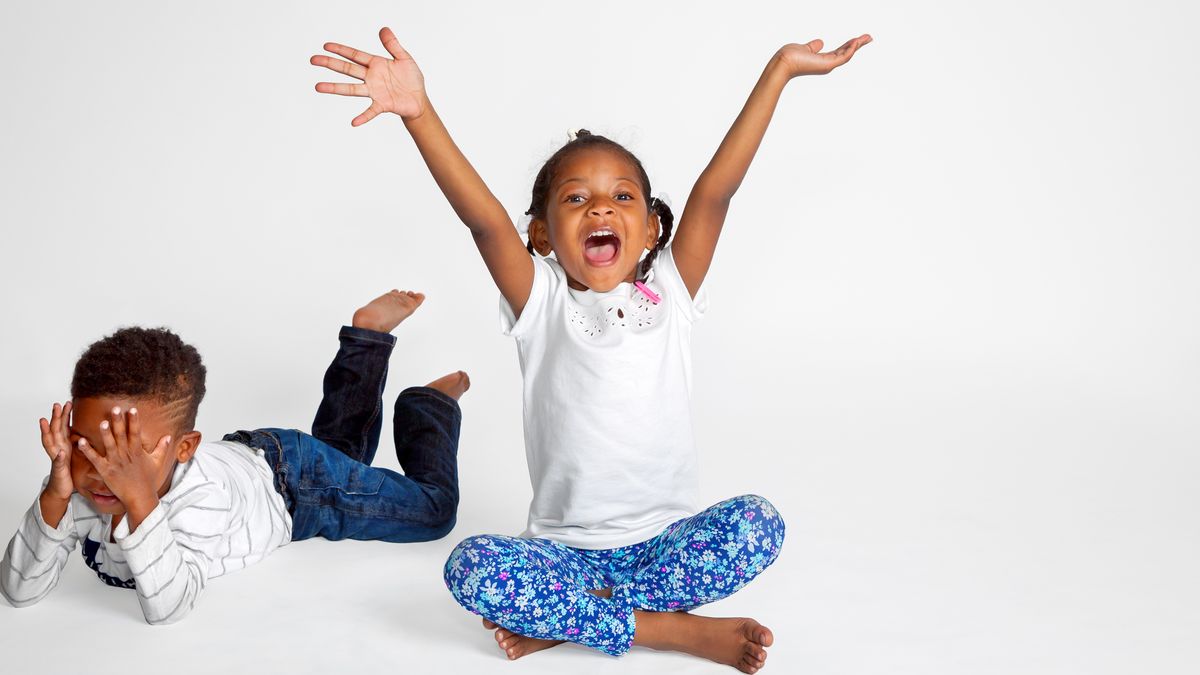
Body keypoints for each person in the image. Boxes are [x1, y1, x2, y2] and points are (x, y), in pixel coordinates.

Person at [311, 28, 869, 672]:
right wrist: (419, 114)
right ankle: (669, 629)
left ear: (653, 227)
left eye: (621, 196)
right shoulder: (540, 300)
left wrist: (779, 72)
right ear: (543, 234)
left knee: (759, 523)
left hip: (665, 542)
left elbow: (715, 192)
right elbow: (485, 221)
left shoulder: (672, 288)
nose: (600, 205)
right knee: (470, 567)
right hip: (561, 550)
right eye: (576, 198)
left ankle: (576, 616)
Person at [0, 290, 467, 624]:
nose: (106, 470)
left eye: (128, 454)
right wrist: (56, 493)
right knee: (344, 454)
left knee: (433, 512)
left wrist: (140, 499)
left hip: (294, 488)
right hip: (256, 456)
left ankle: (427, 406)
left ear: (183, 449)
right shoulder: (80, 489)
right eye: (87, 444)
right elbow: (19, 591)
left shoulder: (201, 502)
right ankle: (367, 339)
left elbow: (167, 606)